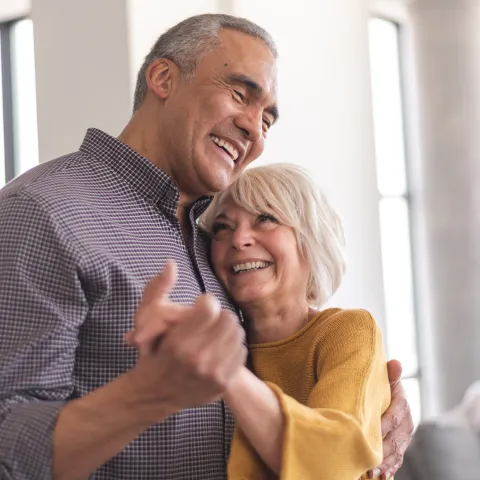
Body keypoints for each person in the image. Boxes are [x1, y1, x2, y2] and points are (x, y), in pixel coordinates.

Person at [0, 13, 412, 480]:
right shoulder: (39, 212)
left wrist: (375, 405)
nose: (256, 130)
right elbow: (9, 446)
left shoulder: (216, 241)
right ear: (163, 78)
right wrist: (146, 393)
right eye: (241, 94)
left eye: (268, 119)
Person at [199, 162, 390, 479]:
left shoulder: (348, 331)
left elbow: (332, 462)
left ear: (312, 240)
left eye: (266, 219)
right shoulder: (218, 342)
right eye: (222, 227)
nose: (239, 239)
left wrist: (228, 374)